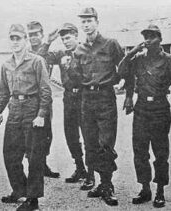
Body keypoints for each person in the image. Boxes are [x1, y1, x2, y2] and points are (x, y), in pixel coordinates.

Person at [0, 24, 52, 211]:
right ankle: (19, 190)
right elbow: (3, 92)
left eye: (19, 38)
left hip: (32, 109)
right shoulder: (6, 64)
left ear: (25, 40)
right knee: (10, 153)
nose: (15, 42)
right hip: (14, 110)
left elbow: (45, 90)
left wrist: (42, 114)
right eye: (12, 38)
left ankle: (33, 199)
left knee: (34, 156)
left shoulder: (36, 61)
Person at [75, 7, 125, 206]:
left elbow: (124, 67)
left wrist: (122, 82)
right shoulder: (79, 49)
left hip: (105, 97)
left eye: (89, 21)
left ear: (97, 21)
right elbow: (75, 74)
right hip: (87, 98)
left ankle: (107, 184)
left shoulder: (110, 44)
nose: (86, 25)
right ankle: (101, 182)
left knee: (106, 142)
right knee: (91, 143)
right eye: (83, 22)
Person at [119, 24, 171, 208]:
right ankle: (145, 189)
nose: (148, 40)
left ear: (160, 39)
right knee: (140, 152)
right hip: (141, 108)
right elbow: (123, 72)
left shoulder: (168, 60)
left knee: (160, 153)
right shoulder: (138, 59)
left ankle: (160, 191)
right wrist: (132, 51)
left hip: (160, 108)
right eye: (145, 37)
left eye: (152, 37)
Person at [38, 23, 95, 189]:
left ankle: (91, 174)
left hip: (85, 96)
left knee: (88, 136)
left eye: (68, 37)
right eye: (63, 38)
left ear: (76, 36)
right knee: (71, 135)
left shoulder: (86, 50)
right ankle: (80, 168)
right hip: (69, 96)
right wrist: (48, 41)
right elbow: (41, 58)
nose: (66, 41)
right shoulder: (60, 53)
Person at [26, 21, 59, 178]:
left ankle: (43, 164)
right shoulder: (25, 53)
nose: (33, 37)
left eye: (36, 34)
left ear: (41, 33)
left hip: (45, 98)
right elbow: (37, 59)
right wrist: (47, 42)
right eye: (30, 34)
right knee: (31, 134)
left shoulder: (48, 53)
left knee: (46, 134)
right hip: (30, 99)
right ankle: (34, 167)